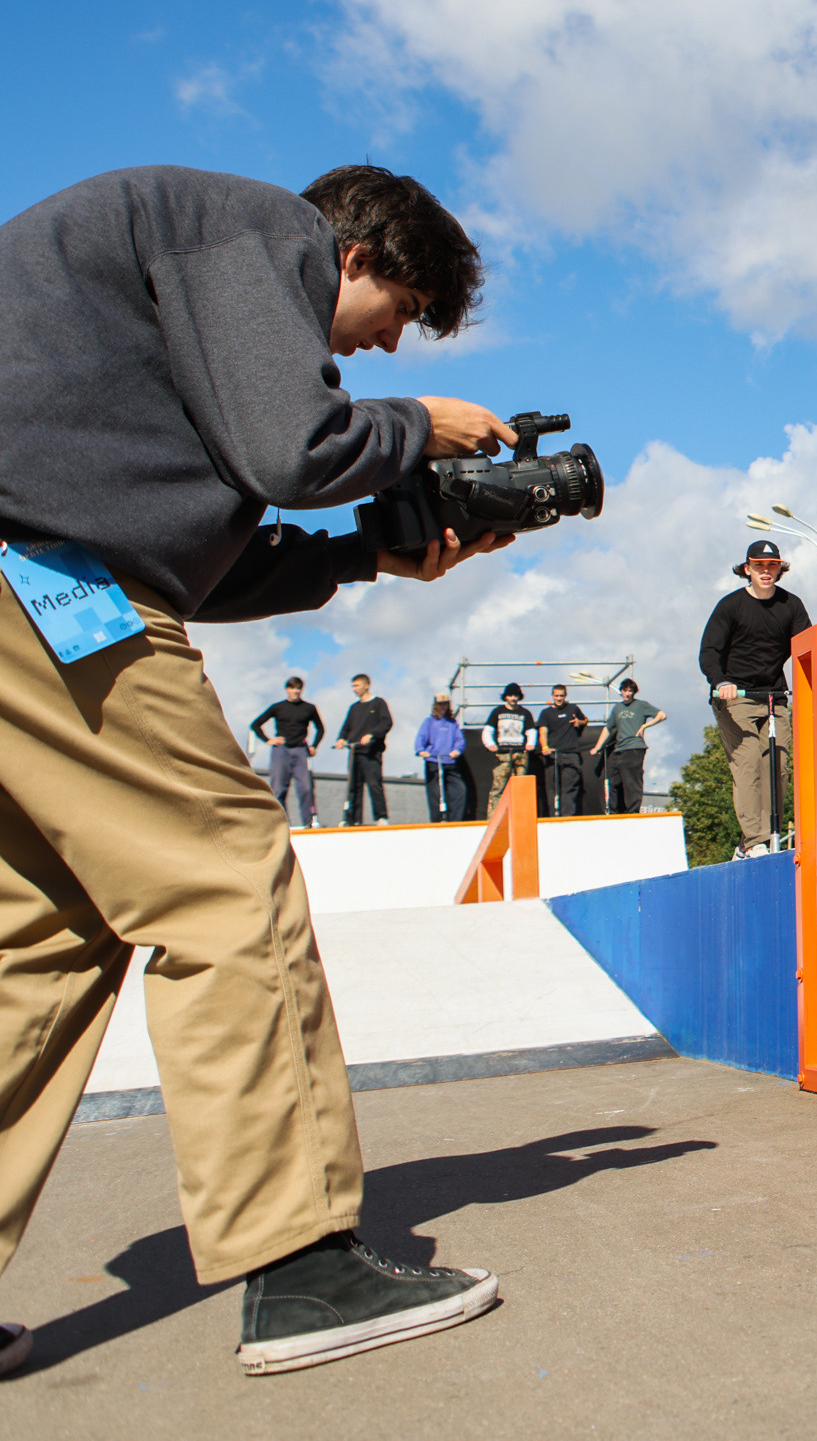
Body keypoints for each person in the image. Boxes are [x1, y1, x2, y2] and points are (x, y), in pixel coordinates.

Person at [0, 162, 516, 1378]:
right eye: (392, 317)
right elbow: (293, 445)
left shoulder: (154, 318)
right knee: (229, 879)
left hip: (37, 579)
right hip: (50, 583)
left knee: (46, 939)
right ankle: (300, 1268)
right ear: (353, 253)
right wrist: (420, 431)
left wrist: (362, 562)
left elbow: (204, 565)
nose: (381, 351)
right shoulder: (249, 227)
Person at [700, 540, 813, 856]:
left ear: (780, 568)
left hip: (774, 696)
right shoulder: (731, 606)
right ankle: (755, 841)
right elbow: (710, 651)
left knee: (777, 763)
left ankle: (763, 837)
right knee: (748, 758)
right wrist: (720, 681)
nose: (766, 571)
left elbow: (806, 650)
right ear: (747, 569)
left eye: (772, 565)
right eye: (759, 566)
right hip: (736, 697)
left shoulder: (791, 605)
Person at [248, 676, 325, 827]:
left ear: (301, 690)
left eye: (298, 688)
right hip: (281, 751)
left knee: (305, 787)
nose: (295, 691)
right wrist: (268, 740)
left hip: (301, 750)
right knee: (278, 788)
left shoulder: (309, 708)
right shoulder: (278, 707)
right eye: (292, 688)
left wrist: (314, 746)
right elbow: (256, 724)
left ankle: (308, 823)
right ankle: (282, 824)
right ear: (287, 690)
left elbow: (320, 729)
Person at [592, 678, 665, 816]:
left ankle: (633, 811)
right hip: (619, 749)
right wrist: (597, 747)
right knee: (611, 779)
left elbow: (662, 715)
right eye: (625, 691)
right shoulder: (618, 708)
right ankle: (615, 811)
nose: (627, 694)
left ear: (634, 692)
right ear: (621, 692)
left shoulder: (641, 705)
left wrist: (645, 725)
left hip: (634, 748)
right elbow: (608, 728)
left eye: (630, 691)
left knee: (631, 781)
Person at [338, 672, 393, 825]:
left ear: (366, 685)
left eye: (357, 685)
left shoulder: (378, 703)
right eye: (353, 686)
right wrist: (341, 739)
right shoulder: (354, 708)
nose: (354, 689)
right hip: (355, 751)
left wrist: (372, 734)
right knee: (353, 787)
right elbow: (346, 727)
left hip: (371, 753)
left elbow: (386, 723)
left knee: (374, 784)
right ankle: (353, 819)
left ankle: (381, 817)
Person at [536, 684, 591, 818]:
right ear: (552, 696)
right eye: (556, 696)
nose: (559, 698)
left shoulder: (573, 708)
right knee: (552, 788)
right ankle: (553, 816)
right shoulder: (546, 713)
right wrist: (545, 747)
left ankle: (568, 817)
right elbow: (542, 732)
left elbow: (585, 720)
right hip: (553, 755)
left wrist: (579, 722)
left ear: (565, 696)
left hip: (571, 754)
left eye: (561, 696)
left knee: (570, 787)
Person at [415, 694, 469, 824]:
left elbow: (459, 740)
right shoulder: (429, 722)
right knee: (435, 793)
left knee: (460, 790)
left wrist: (457, 750)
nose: (442, 707)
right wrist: (421, 751)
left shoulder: (452, 723)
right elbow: (420, 739)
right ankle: (437, 819)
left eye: (445, 704)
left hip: (449, 762)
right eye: (440, 704)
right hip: (434, 762)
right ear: (435, 705)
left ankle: (455, 820)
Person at [483, 682, 534, 810]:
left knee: (521, 787)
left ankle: (520, 815)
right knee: (498, 787)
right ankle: (493, 817)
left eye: (516, 695)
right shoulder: (498, 712)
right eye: (510, 695)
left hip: (520, 754)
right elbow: (488, 730)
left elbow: (531, 731)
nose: (513, 698)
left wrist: (530, 744)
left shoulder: (525, 713)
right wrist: (490, 744)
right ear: (505, 696)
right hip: (503, 754)